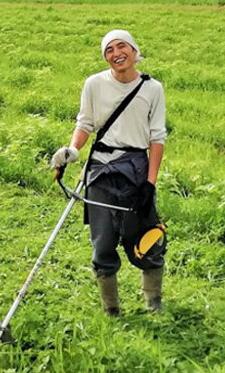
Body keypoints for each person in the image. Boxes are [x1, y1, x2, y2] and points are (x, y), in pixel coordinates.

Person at [50, 29, 167, 315]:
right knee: (102, 243)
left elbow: (157, 138)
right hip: (100, 170)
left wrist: (150, 183)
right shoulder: (94, 84)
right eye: (109, 50)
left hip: (136, 169)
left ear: (135, 51)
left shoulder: (153, 89)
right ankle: (111, 309)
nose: (116, 54)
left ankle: (153, 303)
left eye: (121, 46)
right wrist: (73, 150)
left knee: (146, 238)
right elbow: (85, 123)